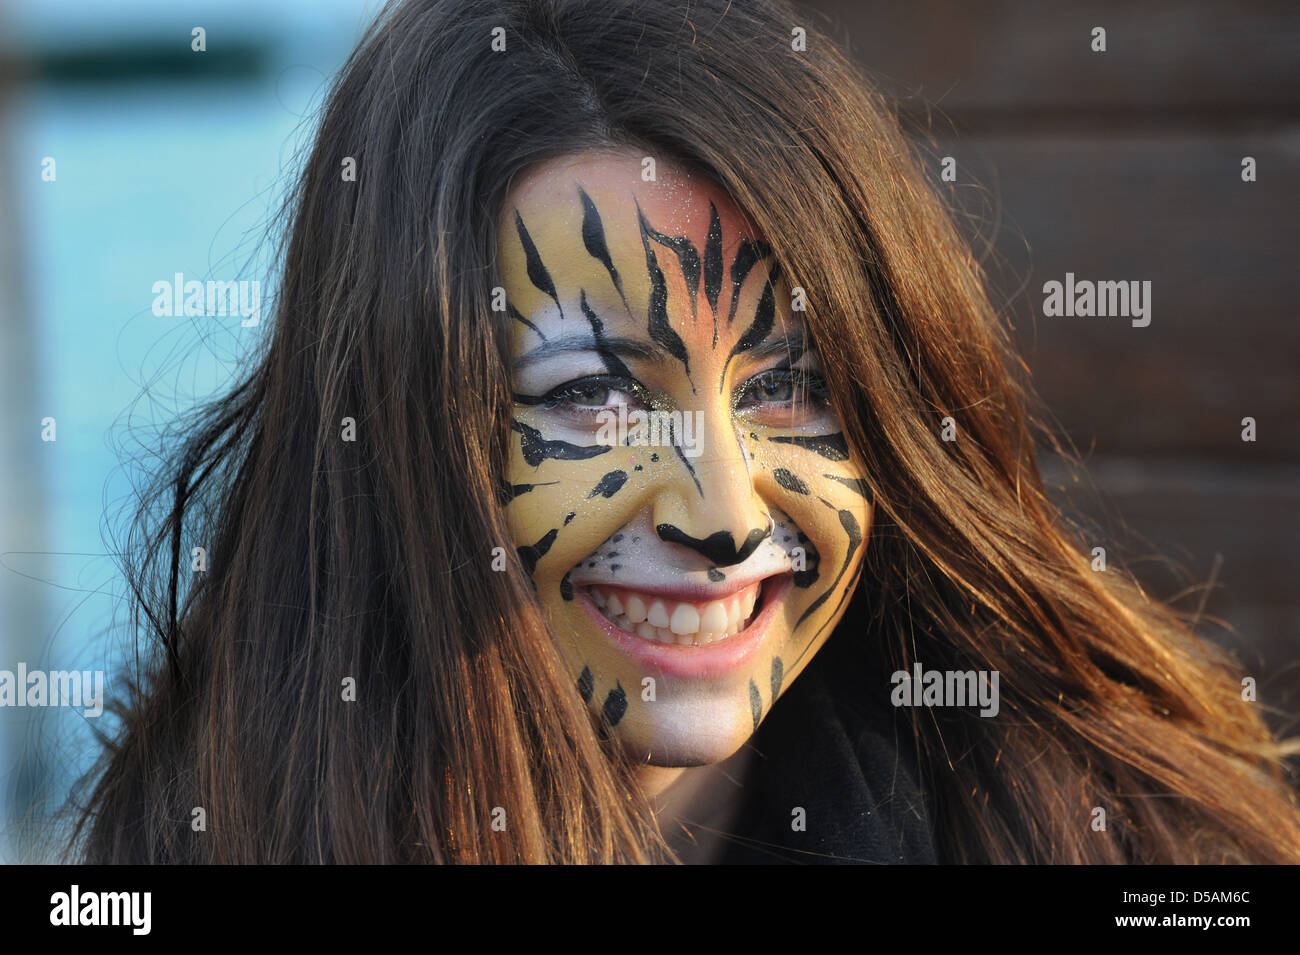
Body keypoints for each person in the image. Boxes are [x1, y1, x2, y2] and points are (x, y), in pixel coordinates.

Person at [70, 0, 1300, 863]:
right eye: (591, 397)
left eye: (792, 386)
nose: (722, 516)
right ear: (388, 438)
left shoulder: (1119, 840)